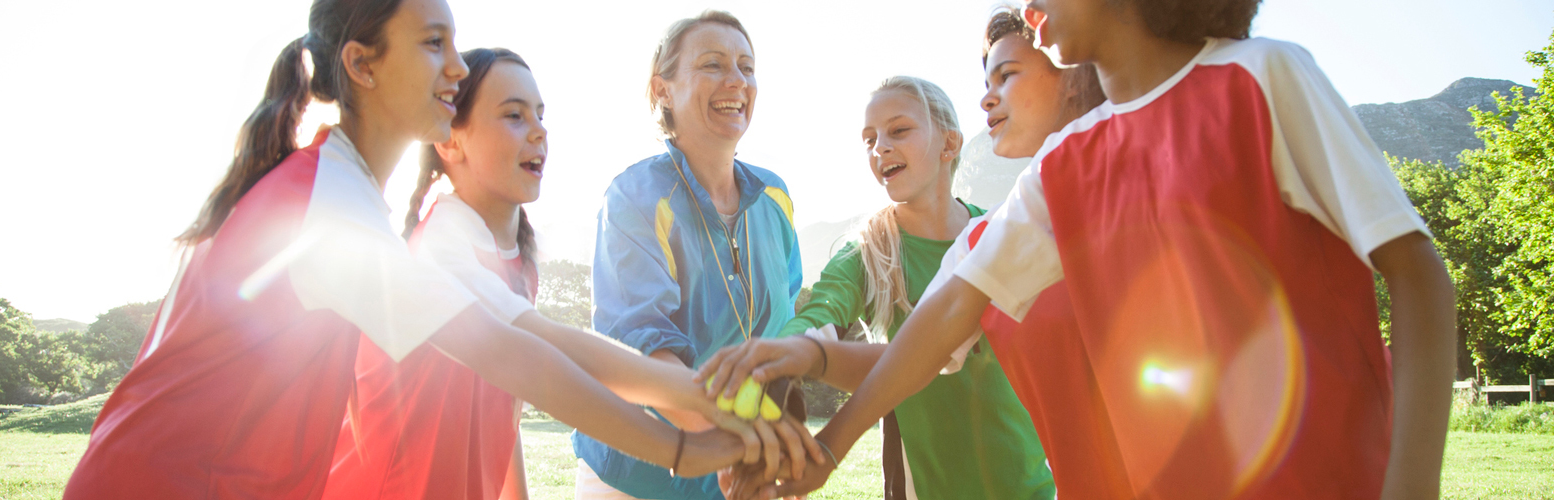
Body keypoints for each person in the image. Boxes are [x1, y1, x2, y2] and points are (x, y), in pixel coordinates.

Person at [764, 0, 1458, 499]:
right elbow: (947, 310)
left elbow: (1419, 278)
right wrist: (829, 447)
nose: (1030, 9)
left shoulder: (1262, 77)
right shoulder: (1062, 165)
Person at [64, 1, 748, 498]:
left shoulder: (345, 194)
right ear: (361, 65)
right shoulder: (330, 208)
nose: (455, 66)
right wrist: (682, 448)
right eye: (432, 42)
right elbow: (517, 354)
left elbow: (519, 370)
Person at [702, 75, 1056, 500]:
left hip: (1037, 487)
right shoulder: (866, 253)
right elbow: (818, 320)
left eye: (899, 130)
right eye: (869, 139)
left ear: (949, 144)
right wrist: (774, 378)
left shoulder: (1003, 232)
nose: (879, 148)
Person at [573, 10, 819, 500]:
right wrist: (738, 445)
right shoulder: (634, 197)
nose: (737, 80)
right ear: (661, 90)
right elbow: (644, 345)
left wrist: (768, 439)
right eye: (712, 64)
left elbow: (786, 329)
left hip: (742, 466)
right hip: (639, 475)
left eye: (747, 67)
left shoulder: (776, 196)